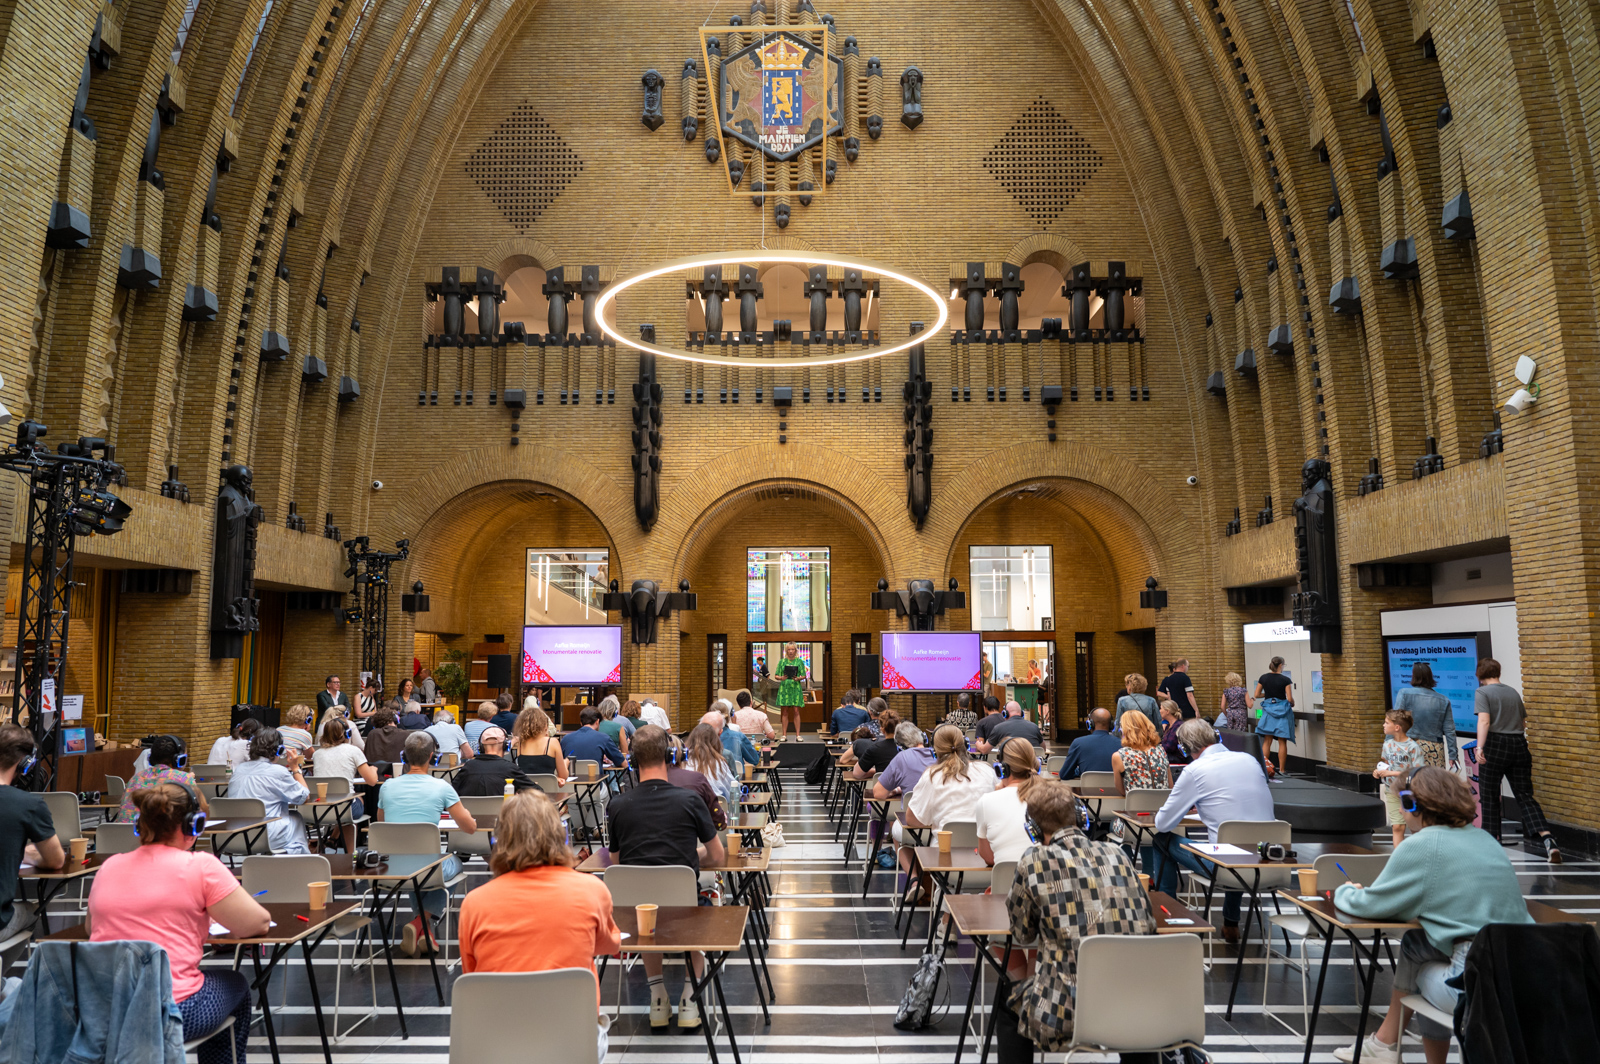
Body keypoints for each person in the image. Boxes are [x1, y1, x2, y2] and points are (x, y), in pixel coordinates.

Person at [1330, 767, 1534, 1064]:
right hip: (1530, 976)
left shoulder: (1421, 845)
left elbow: (1370, 905)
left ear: (1413, 804)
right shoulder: (1485, 839)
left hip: (1476, 986)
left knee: (1419, 974)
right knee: (1416, 943)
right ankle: (1388, 1046)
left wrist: (1344, 891)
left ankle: (1386, 1045)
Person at [87, 781, 270, 1064]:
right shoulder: (201, 866)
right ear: (193, 825)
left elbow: (92, 929)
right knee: (237, 985)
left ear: (140, 826)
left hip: (101, 1011)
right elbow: (256, 924)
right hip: (172, 1011)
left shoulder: (109, 865)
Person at [996, 780, 1159, 1064]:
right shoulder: (1118, 854)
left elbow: (1022, 934)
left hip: (1065, 1012)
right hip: (1136, 1005)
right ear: (1082, 818)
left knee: (1008, 1001)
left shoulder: (1034, 860)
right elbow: (1148, 925)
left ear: (1033, 829)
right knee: (1135, 1016)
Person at [458, 791, 619, 1061]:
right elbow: (609, 944)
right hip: (573, 1039)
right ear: (560, 836)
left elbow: (473, 977)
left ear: (500, 841)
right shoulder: (592, 890)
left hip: (500, 1041)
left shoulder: (474, 904)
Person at [605, 725, 724, 1030]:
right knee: (702, 909)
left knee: (647, 913)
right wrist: (688, 860)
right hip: (684, 905)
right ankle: (689, 997)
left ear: (632, 760)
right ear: (671, 754)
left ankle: (657, 996)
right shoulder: (690, 800)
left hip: (633, 914)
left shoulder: (617, 806)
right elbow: (717, 857)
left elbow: (617, 864)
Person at [1150, 719, 1274, 941]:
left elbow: (1163, 823)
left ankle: (1166, 916)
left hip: (1225, 868)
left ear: (1185, 748)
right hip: (1269, 863)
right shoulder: (1249, 760)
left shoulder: (1194, 770)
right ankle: (1230, 923)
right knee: (1238, 844)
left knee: (1161, 840)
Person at [376, 732, 478, 955]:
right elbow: (470, 828)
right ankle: (420, 924)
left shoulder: (387, 787)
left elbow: (381, 824)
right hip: (426, 869)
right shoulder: (442, 787)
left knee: (416, 866)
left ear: (404, 757)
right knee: (451, 863)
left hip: (391, 868)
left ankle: (424, 929)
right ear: (433, 757)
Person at [1474, 658, 1560, 862]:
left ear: (1480, 674)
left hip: (1494, 744)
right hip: (1519, 744)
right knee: (1524, 795)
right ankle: (1548, 839)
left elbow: (1484, 720)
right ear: (1498, 672)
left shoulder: (1482, 693)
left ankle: (1490, 844)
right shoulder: (1512, 691)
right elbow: (1522, 722)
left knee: (1489, 796)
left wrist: (1479, 747)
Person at [0, 726, 64, 948]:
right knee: (32, 910)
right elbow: (56, 861)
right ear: (26, 764)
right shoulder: (28, 805)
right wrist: (28, 856)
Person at [227, 726, 310, 854]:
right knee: (296, 818)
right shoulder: (278, 772)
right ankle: (298, 860)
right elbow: (304, 797)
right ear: (279, 750)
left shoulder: (239, 769)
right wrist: (295, 768)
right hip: (265, 836)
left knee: (291, 817)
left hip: (233, 835)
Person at [906, 724, 997, 835]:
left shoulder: (931, 776)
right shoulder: (987, 770)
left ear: (935, 752)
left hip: (944, 847)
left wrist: (937, 820)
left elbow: (912, 819)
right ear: (965, 745)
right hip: (983, 848)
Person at [313, 715, 379, 852]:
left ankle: (332, 838)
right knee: (356, 800)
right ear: (347, 734)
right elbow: (372, 781)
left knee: (344, 805)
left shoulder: (317, 754)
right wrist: (373, 769)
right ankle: (350, 853)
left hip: (319, 809)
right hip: (344, 810)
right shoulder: (353, 751)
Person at [975, 737, 1044, 866]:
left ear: (1002, 769)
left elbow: (989, 858)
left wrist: (997, 794)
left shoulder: (986, 802)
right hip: (1046, 882)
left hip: (1005, 884)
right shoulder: (1054, 797)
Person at [119, 734, 210, 821]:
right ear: (180, 759)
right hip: (156, 835)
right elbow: (201, 815)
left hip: (124, 835)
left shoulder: (136, 778)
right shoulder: (184, 779)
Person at [1394, 662, 1458, 769]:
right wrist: (1453, 755)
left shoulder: (1404, 694)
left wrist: (1388, 745)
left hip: (1409, 746)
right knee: (1433, 783)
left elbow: (1395, 721)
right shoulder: (1444, 700)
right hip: (1434, 749)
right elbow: (1450, 730)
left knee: (1410, 782)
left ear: (1414, 676)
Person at [1375, 709, 1422, 848]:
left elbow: (1417, 771)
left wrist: (1392, 773)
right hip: (1391, 790)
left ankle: (1418, 855)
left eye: (1386, 722)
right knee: (1397, 827)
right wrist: (1379, 771)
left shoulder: (1413, 747)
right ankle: (1398, 858)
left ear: (1397, 727)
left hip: (1409, 792)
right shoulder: (1387, 745)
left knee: (1414, 827)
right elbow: (1385, 763)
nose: (1383, 725)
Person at [453, 726, 539, 796]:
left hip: (470, 816)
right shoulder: (510, 768)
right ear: (505, 746)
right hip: (503, 816)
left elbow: (450, 794)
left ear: (480, 747)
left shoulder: (468, 767)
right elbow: (538, 793)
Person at [1253, 656, 1295, 776]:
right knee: (1282, 741)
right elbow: (1290, 698)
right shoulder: (1285, 680)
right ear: (1281, 665)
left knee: (1267, 740)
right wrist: (1292, 703)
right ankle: (1282, 770)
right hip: (1282, 711)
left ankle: (1264, 767)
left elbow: (1257, 694)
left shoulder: (1263, 678)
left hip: (1268, 711)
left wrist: (1269, 694)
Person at [686, 721, 737, 810]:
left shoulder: (682, 762)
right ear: (715, 740)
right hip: (715, 816)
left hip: (687, 812)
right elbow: (732, 792)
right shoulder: (719, 763)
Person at [1057, 707, 1118, 778]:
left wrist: (1080, 771)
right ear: (1112, 725)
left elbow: (1064, 774)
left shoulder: (1078, 743)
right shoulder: (1122, 744)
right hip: (1115, 789)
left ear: (1090, 724)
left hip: (1087, 789)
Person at [560, 706, 626, 770]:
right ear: (597, 722)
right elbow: (623, 763)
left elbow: (559, 763)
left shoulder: (566, 739)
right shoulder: (604, 738)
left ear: (581, 723)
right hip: (595, 779)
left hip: (570, 779)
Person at [512, 704, 568, 778]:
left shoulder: (521, 743)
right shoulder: (552, 742)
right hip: (547, 788)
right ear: (544, 725)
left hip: (526, 788)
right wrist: (565, 763)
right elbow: (563, 776)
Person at [706, 703, 760, 779]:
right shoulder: (739, 737)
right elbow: (754, 760)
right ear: (729, 716)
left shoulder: (702, 738)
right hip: (737, 782)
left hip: (710, 781)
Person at [848, 710, 901, 780]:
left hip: (884, 789)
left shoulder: (874, 749)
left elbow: (857, 774)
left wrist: (876, 772)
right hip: (908, 789)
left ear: (882, 729)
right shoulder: (908, 748)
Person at [776, 642, 809, 742]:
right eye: (789, 650)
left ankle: (798, 735)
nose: (790, 651)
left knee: (796, 711)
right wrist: (781, 677)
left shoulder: (799, 662)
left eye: (792, 649)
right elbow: (776, 675)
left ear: (795, 650)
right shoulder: (782, 662)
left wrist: (798, 678)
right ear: (786, 651)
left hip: (795, 687)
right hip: (785, 688)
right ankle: (784, 735)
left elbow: (804, 675)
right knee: (785, 711)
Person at [1158, 699, 1190, 766]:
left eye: (1160, 708)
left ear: (1167, 711)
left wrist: (1156, 747)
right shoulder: (1169, 726)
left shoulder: (1178, 726)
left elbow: (1170, 747)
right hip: (1170, 756)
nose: (1159, 711)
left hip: (1177, 758)